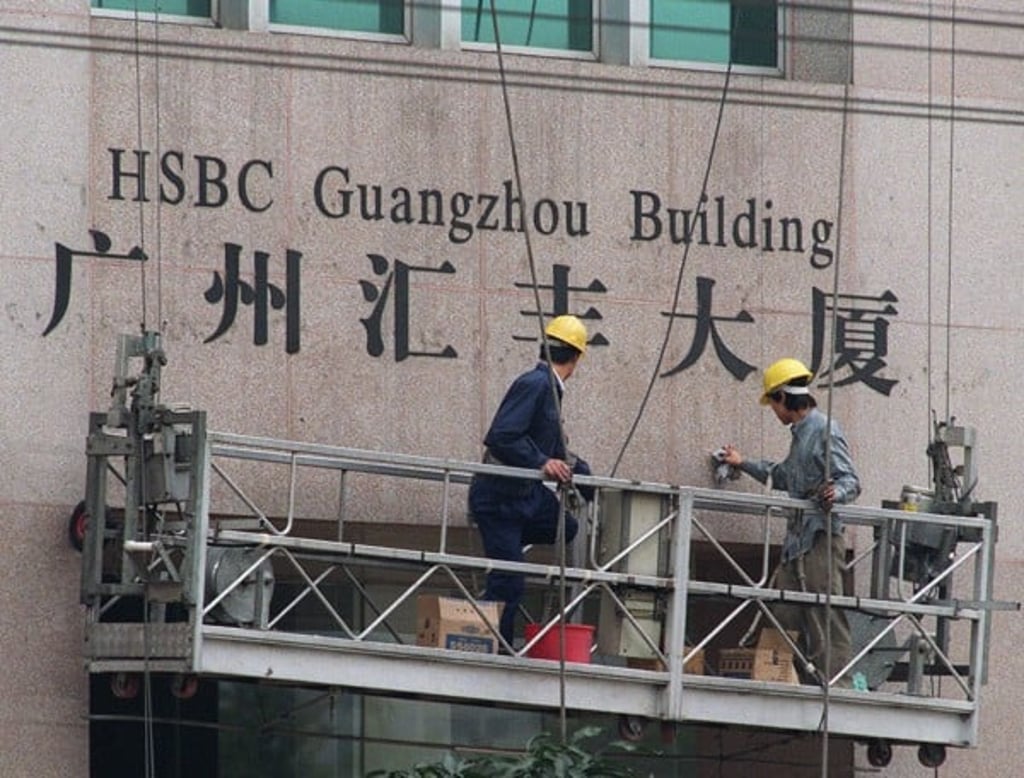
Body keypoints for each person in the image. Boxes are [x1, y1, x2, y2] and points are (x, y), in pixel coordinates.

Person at [720, 357, 860, 686]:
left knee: (824, 613)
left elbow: (851, 481)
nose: (774, 411)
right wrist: (743, 463)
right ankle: (776, 676)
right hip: (797, 544)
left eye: (773, 404)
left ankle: (836, 685)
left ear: (783, 398)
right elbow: (784, 475)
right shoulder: (801, 435)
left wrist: (834, 494)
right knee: (782, 611)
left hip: (820, 539)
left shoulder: (825, 429)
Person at [468, 314, 594, 647]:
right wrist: (541, 462)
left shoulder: (551, 389)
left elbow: (551, 446)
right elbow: (502, 436)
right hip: (499, 499)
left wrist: (584, 476)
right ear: (577, 357)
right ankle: (498, 650)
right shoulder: (536, 384)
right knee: (510, 581)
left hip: (525, 497)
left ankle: (505, 552)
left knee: (565, 527)